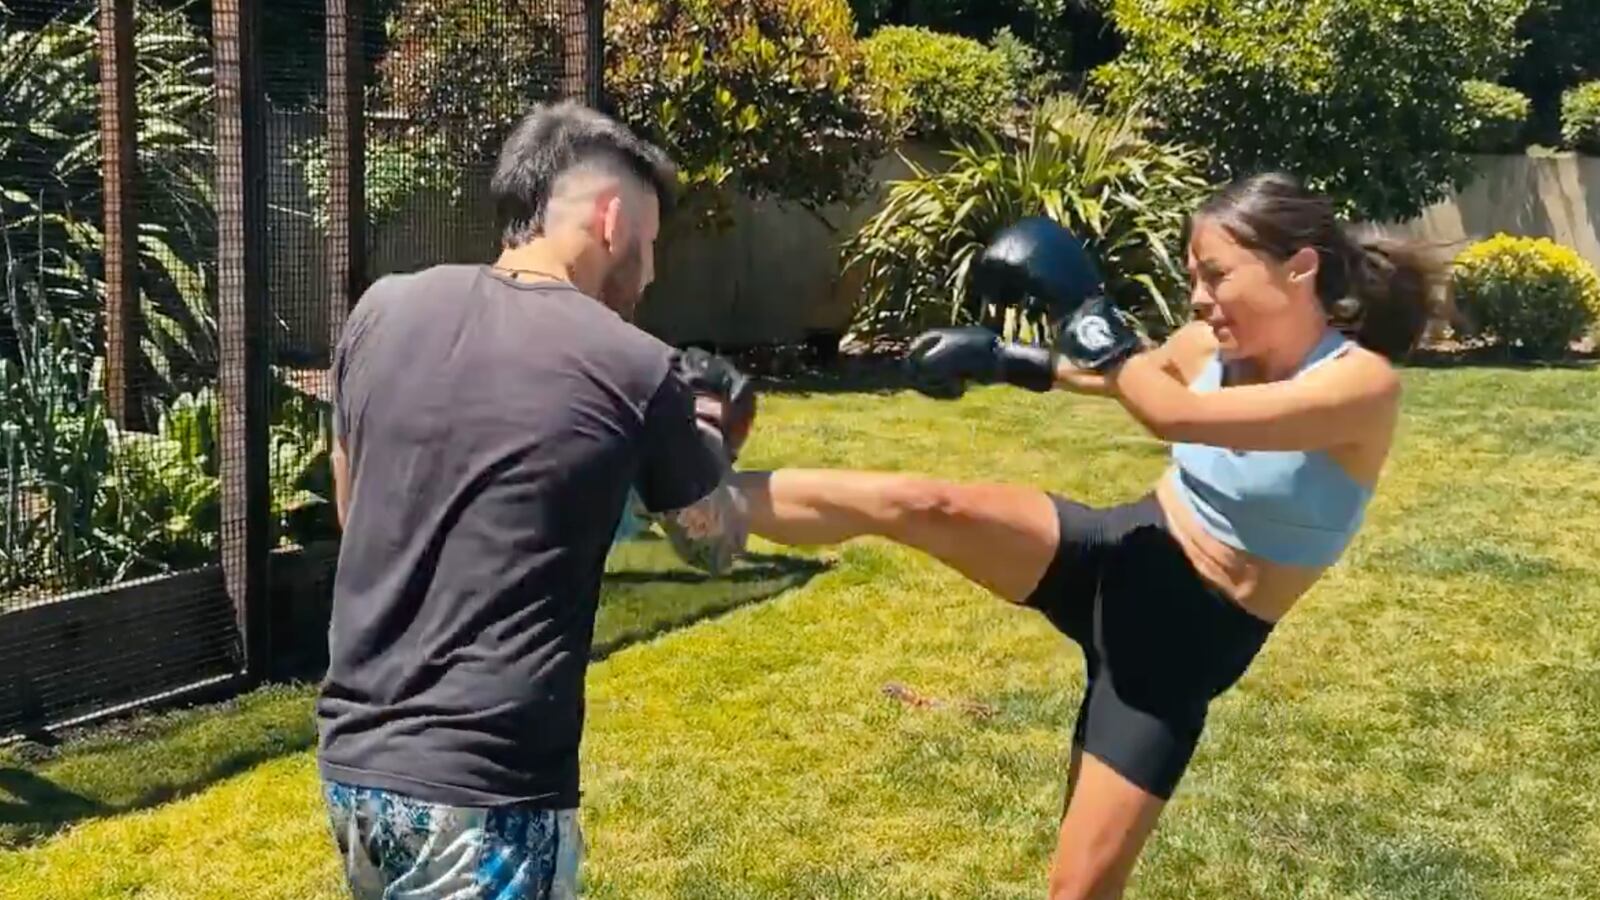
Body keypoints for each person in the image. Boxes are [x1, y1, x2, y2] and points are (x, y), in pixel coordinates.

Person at [726, 172, 1448, 899]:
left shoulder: (1358, 387)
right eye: (1193, 278)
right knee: (921, 503)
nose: (1199, 298)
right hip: (1123, 548)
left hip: (1177, 648)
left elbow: (1174, 414)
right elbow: (1123, 377)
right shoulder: (1206, 345)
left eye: (1217, 275)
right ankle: (695, 497)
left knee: (1077, 894)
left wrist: (1086, 310)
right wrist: (1004, 360)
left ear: (1300, 267)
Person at [315, 101, 757, 900]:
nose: (652, 274)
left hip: (356, 772)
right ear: (612, 219)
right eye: (652, 244)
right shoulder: (633, 364)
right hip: (487, 792)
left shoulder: (379, 310)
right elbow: (715, 541)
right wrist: (712, 442)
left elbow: (355, 505)